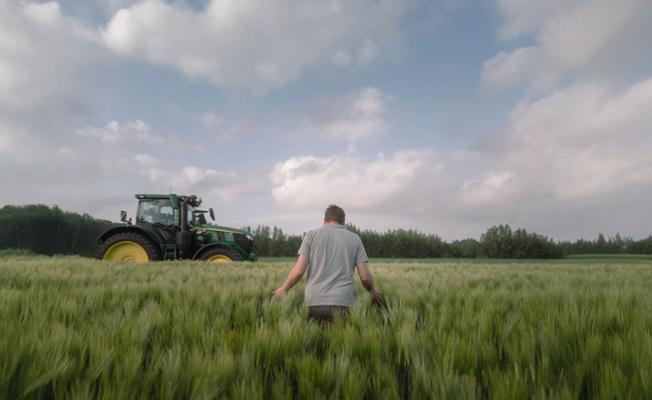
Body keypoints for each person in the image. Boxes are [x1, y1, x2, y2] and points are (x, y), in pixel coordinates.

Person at [271, 204, 383, 322]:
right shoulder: (355, 239)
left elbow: (298, 272)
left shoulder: (311, 236)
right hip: (343, 302)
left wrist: (283, 288)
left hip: (315, 302)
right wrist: (372, 290)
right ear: (343, 221)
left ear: (325, 220)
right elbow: (365, 277)